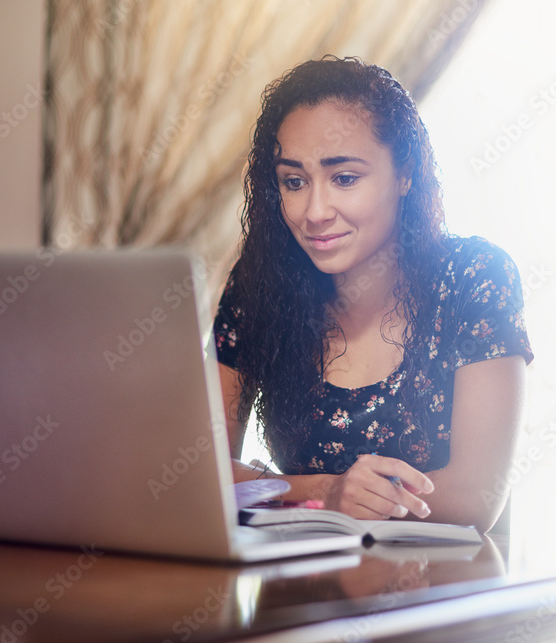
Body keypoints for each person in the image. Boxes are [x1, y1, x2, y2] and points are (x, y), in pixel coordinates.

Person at [214, 56, 533, 533]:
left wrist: (318, 496)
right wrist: (328, 493)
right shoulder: (260, 282)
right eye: (294, 182)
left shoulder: (475, 277)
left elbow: (475, 497)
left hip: (444, 591)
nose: (314, 211)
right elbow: (199, 473)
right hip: (297, 591)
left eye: (344, 178)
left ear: (404, 174)